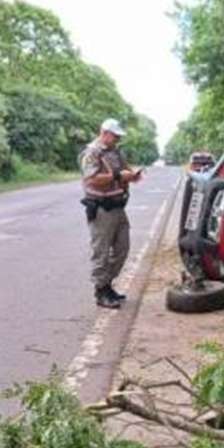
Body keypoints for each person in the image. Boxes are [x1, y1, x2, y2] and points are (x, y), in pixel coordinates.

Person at [78, 118, 143, 308]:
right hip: (101, 209)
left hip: (118, 206)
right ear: (104, 133)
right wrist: (116, 176)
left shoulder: (115, 152)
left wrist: (132, 176)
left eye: (118, 136)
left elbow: (126, 173)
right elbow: (91, 180)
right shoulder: (92, 152)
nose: (117, 139)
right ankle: (101, 290)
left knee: (123, 249)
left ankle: (107, 285)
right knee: (102, 252)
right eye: (115, 136)